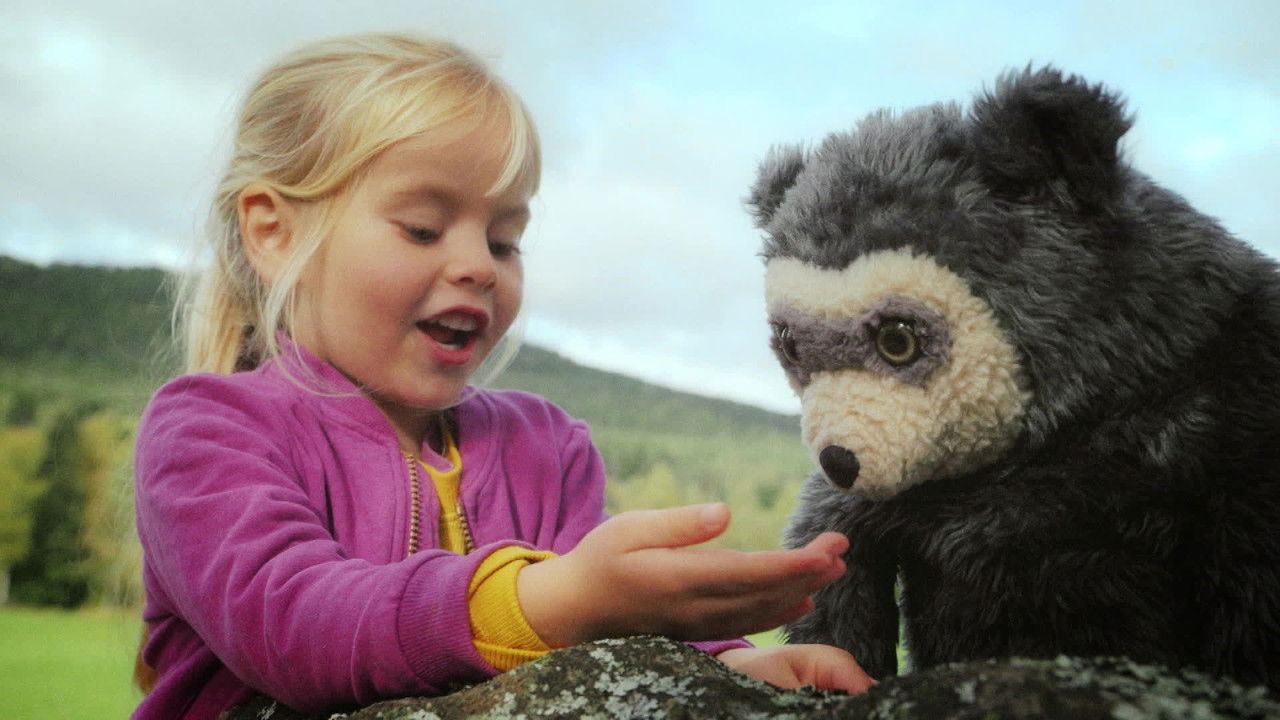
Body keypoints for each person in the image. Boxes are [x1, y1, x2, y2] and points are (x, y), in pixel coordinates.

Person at [131, 32, 872, 720]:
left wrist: (734, 666)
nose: (477, 267)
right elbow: (295, 627)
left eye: (504, 239)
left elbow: (612, 623)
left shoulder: (545, 447)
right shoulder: (206, 430)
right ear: (274, 230)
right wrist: (545, 602)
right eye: (423, 227)